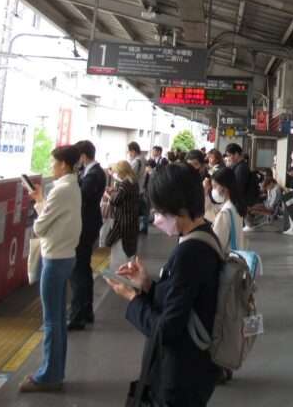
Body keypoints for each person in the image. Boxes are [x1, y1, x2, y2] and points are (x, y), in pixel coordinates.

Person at [106, 164, 221, 406]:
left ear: (179, 210)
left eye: (160, 211)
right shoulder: (205, 235)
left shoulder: (189, 252)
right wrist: (147, 285)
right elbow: (183, 299)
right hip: (196, 367)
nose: (156, 218)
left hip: (179, 376)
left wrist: (132, 298)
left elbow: (168, 330)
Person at [21, 145, 82, 393]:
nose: (51, 168)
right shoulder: (72, 187)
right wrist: (40, 201)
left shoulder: (62, 189)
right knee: (57, 318)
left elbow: (40, 227)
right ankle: (55, 371)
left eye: (53, 164)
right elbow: (53, 216)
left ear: (64, 165)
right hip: (66, 256)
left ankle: (48, 376)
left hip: (55, 259)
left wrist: (40, 205)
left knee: (51, 320)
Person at [69, 139, 106, 331]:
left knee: (79, 270)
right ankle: (86, 310)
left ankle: (77, 316)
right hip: (90, 225)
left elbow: (80, 198)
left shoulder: (93, 175)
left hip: (85, 227)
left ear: (83, 156)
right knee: (83, 268)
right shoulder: (95, 172)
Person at [105, 160, 140, 269]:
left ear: (122, 171)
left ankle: (106, 268)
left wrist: (108, 195)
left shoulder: (125, 184)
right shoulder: (134, 181)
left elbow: (116, 201)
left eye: (117, 172)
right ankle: (131, 268)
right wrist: (116, 190)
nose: (116, 174)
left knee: (110, 242)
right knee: (130, 247)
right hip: (132, 218)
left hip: (122, 219)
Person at [210, 166, 247, 253]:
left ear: (225, 187)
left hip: (228, 259)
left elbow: (217, 245)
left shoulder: (225, 213)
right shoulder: (236, 206)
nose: (213, 190)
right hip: (237, 257)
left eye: (215, 186)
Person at [128, 142, 148, 234]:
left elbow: (130, 176)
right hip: (141, 188)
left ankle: (134, 228)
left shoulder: (136, 161)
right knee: (141, 210)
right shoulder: (143, 159)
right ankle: (142, 227)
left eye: (129, 151)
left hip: (135, 189)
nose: (129, 154)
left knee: (134, 211)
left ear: (133, 151)